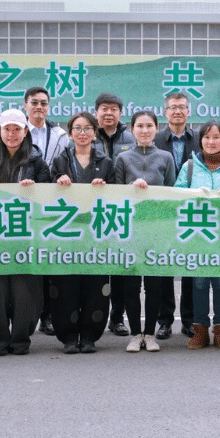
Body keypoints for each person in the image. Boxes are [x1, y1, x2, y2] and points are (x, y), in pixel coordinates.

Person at [0, 108, 51, 356]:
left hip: (25, 238)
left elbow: (48, 197)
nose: (11, 134)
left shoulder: (36, 161)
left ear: (25, 131)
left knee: (24, 291)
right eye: (7, 129)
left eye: (17, 129)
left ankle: (21, 339)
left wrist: (35, 188)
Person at [174, 120, 220, 350]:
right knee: (200, 281)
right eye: (206, 137)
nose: (211, 142)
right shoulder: (190, 167)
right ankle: (200, 330)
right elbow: (176, 194)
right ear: (200, 140)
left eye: (216, 137)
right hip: (197, 232)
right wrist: (193, 194)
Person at [49, 111, 114, 353]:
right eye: (77, 128)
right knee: (66, 286)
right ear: (70, 133)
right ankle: (67, 337)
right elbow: (46, 193)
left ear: (95, 133)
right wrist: (58, 180)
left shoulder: (106, 163)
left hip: (97, 234)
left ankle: (89, 336)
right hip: (65, 233)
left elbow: (117, 196)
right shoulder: (59, 162)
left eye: (87, 128)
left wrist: (104, 189)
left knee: (95, 286)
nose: (82, 133)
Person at [115, 110, 176, 352]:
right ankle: (134, 334)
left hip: (156, 229)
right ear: (132, 129)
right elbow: (115, 192)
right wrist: (131, 188)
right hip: (130, 229)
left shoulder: (166, 157)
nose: (144, 130)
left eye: (149, 125)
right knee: (130, 285)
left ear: (156, 128)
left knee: (154, 285)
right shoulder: (122, 158)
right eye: (139, 126)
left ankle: (149, 333)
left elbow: (172, 192)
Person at [23, 87, 70, 338]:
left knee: (50, 261)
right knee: (30, 261)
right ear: (25, 105)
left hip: (52, 202)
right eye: (34, 103)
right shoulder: (16, 131)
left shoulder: (60, 134)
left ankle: (48, 316)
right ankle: (28, 313)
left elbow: (63, 163)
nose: (39, 107)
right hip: (22, 202)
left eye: (43, 103)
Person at [92, 92, 136, 338]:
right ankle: (95, 314)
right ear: (96, 112)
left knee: (119, 268)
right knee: (97, 267)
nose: (108, 113)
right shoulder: (87, 133)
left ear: (121, 113)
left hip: (122, 210)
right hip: (91, 210)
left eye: (113, 109)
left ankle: (117, 318)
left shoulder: (129, 137)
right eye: (104, 109)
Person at [154, 92, 198, 339]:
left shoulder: (201, 138)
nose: (178, 111)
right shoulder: (157, 140)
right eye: (173, 107)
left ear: (189, 111)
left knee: (190, 266)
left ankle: (189, 320)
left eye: (182, 107)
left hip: (192, 211)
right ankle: (165, 320)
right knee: (164, 267)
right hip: (163, 212)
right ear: (165, 112)